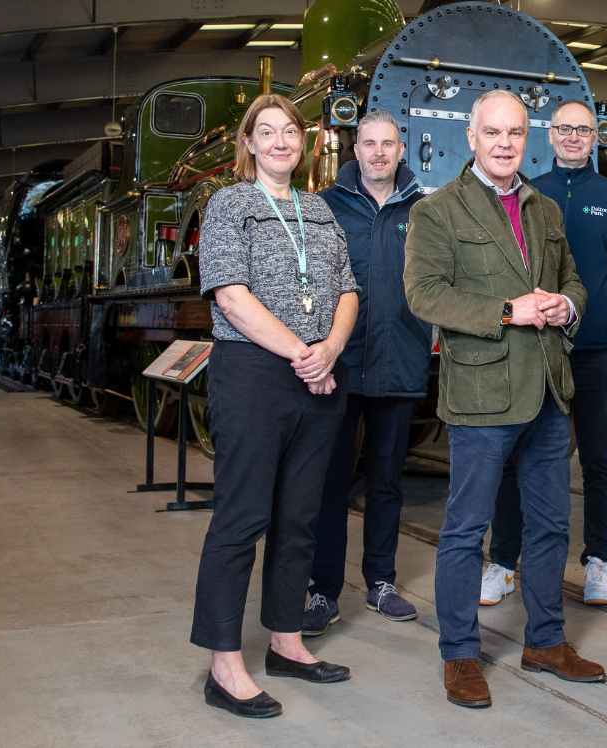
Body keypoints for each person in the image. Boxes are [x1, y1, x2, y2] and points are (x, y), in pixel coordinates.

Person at [404, 90, 601, 710]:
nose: (505, 143)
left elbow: (572, 278)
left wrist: (567, 305)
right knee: (466, 530)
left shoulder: (543, 208)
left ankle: (545, 641)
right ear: (471, 137)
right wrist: (505, 311)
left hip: (547, 387)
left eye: (515, 132)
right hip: (484, 391)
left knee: (551, 524)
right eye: (493, 132)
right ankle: (459, 653)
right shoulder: (438, 211)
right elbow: (424, 294)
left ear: (527, 137)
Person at [190, 93, 359, 719]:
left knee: (300, 519)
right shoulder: (229, 204)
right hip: (256, 373)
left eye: (291, 130)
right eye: (268, 132)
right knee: (242, 519)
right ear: (250, 143)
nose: (282, 140)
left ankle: (286, 640)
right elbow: (231, 296)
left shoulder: (318, 209)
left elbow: (346, 288)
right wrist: (302, 354)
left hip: (317, 373)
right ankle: (224, 663)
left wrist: (331, 349)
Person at [481, 100, 607, 608]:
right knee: (514, 454)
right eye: (564, 129)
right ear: (548, 137)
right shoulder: (528, 193)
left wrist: (591, 314)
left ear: (597, 137)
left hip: (593, 348)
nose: (573, 137)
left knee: (598, 457)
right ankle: (504, 561)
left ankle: (598, 560)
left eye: (584, 130)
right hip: (531, 344)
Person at [301, 109, 429, 637]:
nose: (378, 152)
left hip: (400, 361)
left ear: (403, 151)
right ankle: (321, 589)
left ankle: (381, 581)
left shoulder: (424, 210)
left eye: (388, 144)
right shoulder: (325, 208)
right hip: (340, 364)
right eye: (369, 143)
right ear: (354, 150)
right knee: (330, 480)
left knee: (386, 480)